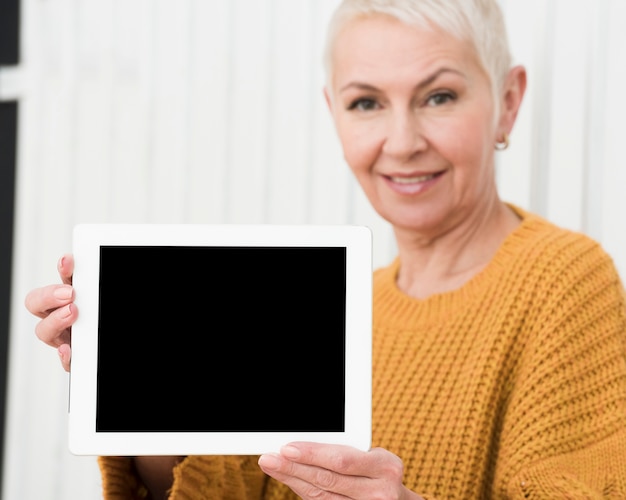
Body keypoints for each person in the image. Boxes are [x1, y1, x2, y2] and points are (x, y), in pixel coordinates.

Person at [24, 0, 626, 498]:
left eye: (438, 96)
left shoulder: (564, 278)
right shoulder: (333, 305)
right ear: (334, 113)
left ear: (509, 101)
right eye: (366, 103)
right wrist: (138, 388)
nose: (402, 141)